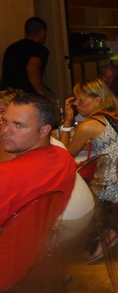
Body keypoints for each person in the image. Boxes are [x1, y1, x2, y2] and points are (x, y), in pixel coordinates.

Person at [0, 92, 76, 225]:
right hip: (47, 239)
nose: (5, 131)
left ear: (44, 130)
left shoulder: (8, 174)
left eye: (19, 125)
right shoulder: (64, 156)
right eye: (5, 121)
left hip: (14, 244)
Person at [1, 17, 50, 97]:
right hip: (25, 95)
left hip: (7, 94)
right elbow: (32, 69)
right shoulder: (39, 49)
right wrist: (42, 94)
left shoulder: (12, 47)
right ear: (42, 32)